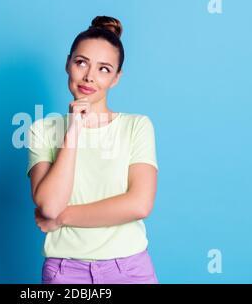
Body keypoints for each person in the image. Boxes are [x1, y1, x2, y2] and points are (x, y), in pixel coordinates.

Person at [27, 16, 159, 284]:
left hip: (129, 269)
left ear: (116, 78)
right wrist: (74, 128)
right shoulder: (41, 130)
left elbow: (139, 204)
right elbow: (49, 205)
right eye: (81, 62)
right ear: (68, 63)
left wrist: (62, 219)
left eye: (104, 69)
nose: (89, 76)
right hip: (65, 272)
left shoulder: (137, 126)